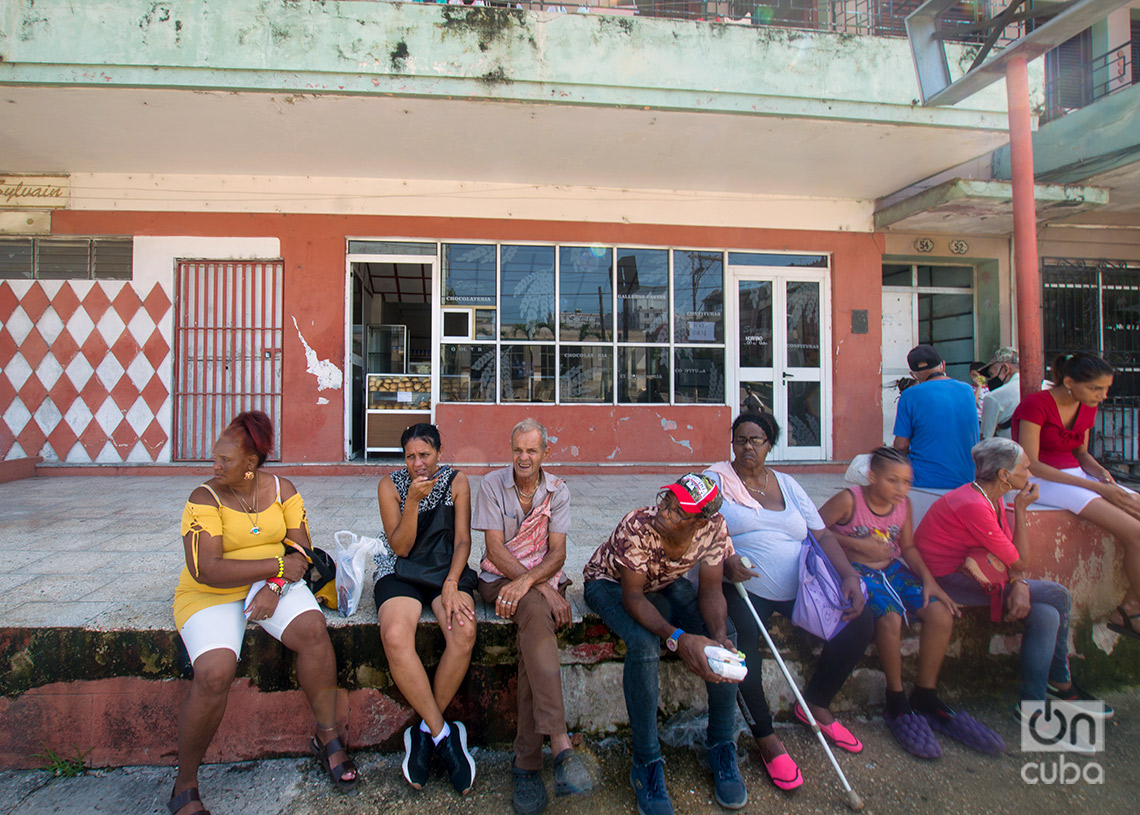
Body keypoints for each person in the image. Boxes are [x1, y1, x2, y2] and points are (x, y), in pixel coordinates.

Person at [169, 411, 357, 815]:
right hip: (210, 593)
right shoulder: (204, 497)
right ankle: (185, 782)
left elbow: (302, 549)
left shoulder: (282, 489)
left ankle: (328, 737)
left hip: (270, 584)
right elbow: (208, 568)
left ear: (251, 464)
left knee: (313, 630)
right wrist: (274, 569)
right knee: (215, 672)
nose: (214, 465)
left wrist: (274, 587)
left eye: (225, 460)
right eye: (215, 457)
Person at [705, 413, 872, 792]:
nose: (748, 446)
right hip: (745, 587)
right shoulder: (714, 481)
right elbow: (697, 528)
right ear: (732, 443)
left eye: (757, 440)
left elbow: (823, 536)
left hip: (802, 586)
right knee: (742, 646)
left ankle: (815, 702)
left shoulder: (789, 485)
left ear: (770, 444)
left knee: (860, 621)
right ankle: (766, 736)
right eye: (741, 439)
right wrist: (725, 560)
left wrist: (848, 575)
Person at [583, 474, 747, 815]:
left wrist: (715, 639)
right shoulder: (638, 525)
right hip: (610, 583)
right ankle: (646, 761)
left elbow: (712, 590)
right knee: (644, 645)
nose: (665, 511)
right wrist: (678, 638)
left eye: (677, 511)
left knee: (726, 636)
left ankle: (721, 744)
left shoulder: (714, 528)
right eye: (667, 500)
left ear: (700, 519)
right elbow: (632, 598)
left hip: (663, 581)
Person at [914, 438, 1111, 717]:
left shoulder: (988, 497)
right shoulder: (975, 504)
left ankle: (1032, 706)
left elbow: (1010, 556)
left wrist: (1019, 584)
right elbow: (1021, 560)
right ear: (1004, 475)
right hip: (946, 580)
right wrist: (1021, 509)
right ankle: (1061, 681)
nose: (1030, 474)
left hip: (975, 574)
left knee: (1046, 616)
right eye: (1025, 468)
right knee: (1058, 594)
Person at [819, 447, 979, 759]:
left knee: (940, 613)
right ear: (872, 476)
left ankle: (926, 694)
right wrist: (856, 543)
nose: (901, 489)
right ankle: (896, 698)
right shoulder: (850, 500)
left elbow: (906, 546)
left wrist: (929, 581)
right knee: (890, 618)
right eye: (893, 481)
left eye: (906, 482)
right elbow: (814, 529)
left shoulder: (902, 504)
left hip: (893, 570)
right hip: (857, 573)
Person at [472, 419, 595, 814]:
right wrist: (538, 585)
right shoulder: (492, 485)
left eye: (532, 451)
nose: (523, 458)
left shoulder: (557, 491)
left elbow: (557, 554)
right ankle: (559, 742)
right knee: (536, 609)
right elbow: (494, 548)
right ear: (510, 451)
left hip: (532, 581)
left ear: (545, 453)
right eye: (517, 450)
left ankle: (526, 762)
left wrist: (533, 583)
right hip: (498, 578)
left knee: (533, 627)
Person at [375, 423, 478, 795]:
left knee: (464, 630)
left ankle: (421, 732)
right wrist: (414, 501)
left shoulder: (457, 481)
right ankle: (442, 734)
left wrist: (452, 582)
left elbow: (464, 539)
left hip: (445, 570)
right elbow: (400, 548)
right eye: (410, 457)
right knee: (394, 635)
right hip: (401, 571)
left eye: (425, 455)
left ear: (438, 452)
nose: (418, 464)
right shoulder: (390, 485)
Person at [1013, 352, 1140, 641]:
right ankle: (1133, 609)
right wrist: (1096, 488)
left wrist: (1102, 475)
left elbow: (1081, 454)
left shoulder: (1087, 405)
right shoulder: (1036, 405)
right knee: (1136, 532)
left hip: (1076, 476)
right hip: (1040, 478)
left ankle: (1131, 602)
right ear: (1069, 381)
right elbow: (1030, 462)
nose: (1103, 396)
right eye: (1097, 389)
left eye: (1106, 389)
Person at [892, 344, 979, 489]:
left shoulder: (909, 396)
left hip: (923, 481)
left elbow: (901, 445)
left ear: (913, 374)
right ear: (943, 365)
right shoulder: (967, 390)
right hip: (966, 480)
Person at [980, 347, 1021, 439]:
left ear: (1005, 369)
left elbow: (986, 440)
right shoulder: (1047, 386)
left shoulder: (993, 398)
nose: (989, 380)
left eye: (991, 374)